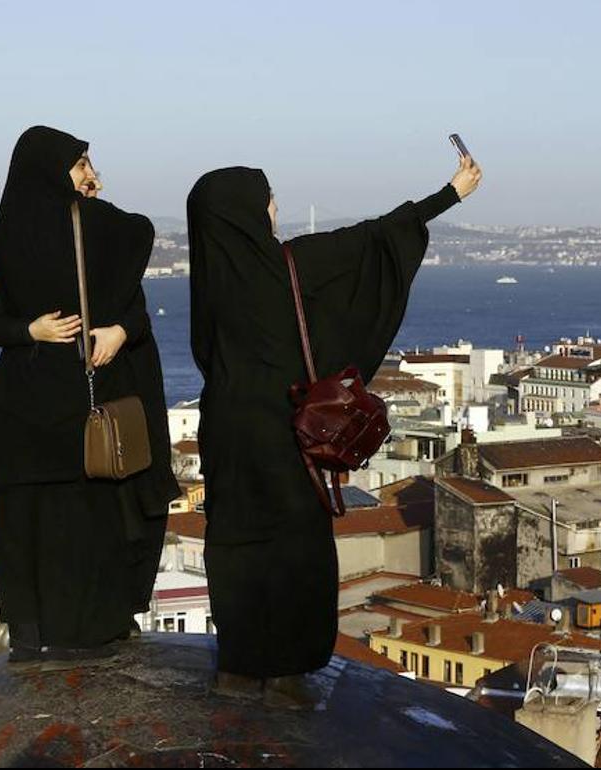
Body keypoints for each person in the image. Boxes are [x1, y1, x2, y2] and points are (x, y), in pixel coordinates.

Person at [186, 154, 482, 698]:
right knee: (295, 548)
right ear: (251, 211)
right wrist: (451, 192)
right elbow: (377, 239)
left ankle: (240, 665)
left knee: (235, 547)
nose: (276, 207)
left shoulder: (209, 285)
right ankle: (289, 668)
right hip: (283, 433)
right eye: (268, 198)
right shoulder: (295, 264)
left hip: (226, 435)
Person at [0, 126, 180, 662]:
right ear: (58, 171)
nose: (91, 175)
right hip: (84, 400)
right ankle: (94, 625)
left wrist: (31, 331)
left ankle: (32, 630)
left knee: (27, 522)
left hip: (29, 408)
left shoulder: (7, 239)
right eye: (81, 165)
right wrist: (118, 331)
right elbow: (141, 232)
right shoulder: (100, 232)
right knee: (91, 517)